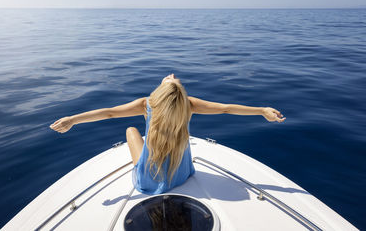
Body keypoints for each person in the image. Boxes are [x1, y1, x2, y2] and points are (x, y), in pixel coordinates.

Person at [50, 74, 285, 194]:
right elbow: (226, 108)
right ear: (181, 95)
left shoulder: (147, 104)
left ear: (160, 92)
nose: (171, 77)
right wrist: (262, 110)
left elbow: (109, 113)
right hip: (181, 176)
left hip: (147, 181)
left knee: (132, 131)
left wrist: (73, 119)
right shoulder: (189, 105)